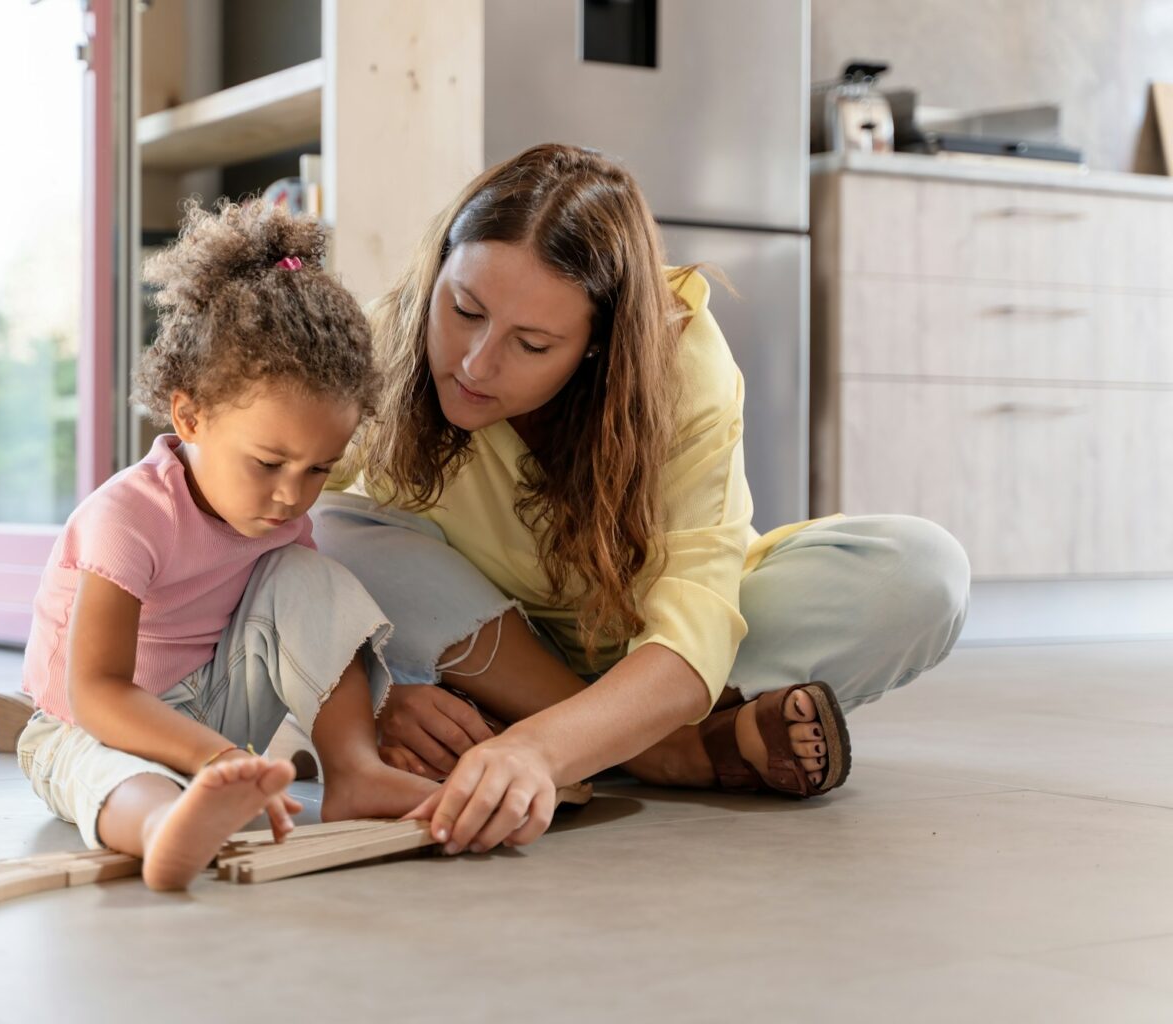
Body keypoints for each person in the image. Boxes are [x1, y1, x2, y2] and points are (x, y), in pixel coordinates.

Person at [313, 143, 971, 857]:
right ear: (440, 267)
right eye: (464, 309)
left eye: (532, 345)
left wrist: (538, 748)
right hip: (471, 654)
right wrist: (373, 700)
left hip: (641, 644)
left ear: (599, 347)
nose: (475, 363)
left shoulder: (681, 363)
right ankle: (659, 748)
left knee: (920, 573)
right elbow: (257, 559)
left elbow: (691, 635)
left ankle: (592, 731)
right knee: (327, 526)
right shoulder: (386, 337)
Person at [16, 201, 436, 890]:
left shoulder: (278, 516)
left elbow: (296, 632)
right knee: (113, 769)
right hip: (92, 722)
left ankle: (355, 770)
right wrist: (211, 758)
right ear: (191, 415)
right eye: (268, 464)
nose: (291, 496)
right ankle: (162, 830)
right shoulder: (128, 517)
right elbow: (94, 692)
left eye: (318, 469)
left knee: (308, 571)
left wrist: (223, 752)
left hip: (213, 712)